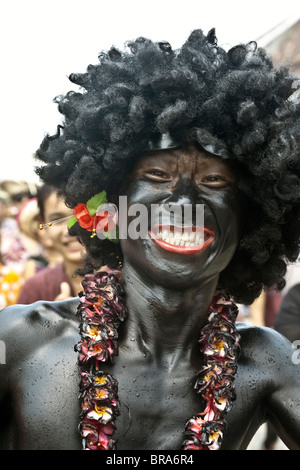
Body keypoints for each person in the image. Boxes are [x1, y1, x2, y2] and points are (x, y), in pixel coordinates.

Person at [1, 28, 300, 451]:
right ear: (113, 204)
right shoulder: (20, 339)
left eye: (214, 180)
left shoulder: (267, 361)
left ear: (253, 215)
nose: (183, 202)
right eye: (157, 175)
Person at [16, 185, 84, 303]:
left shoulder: (124, 276)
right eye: (58, 219)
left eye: (81, 214)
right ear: (44, 227)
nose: (70, 230)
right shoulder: (35, 289)